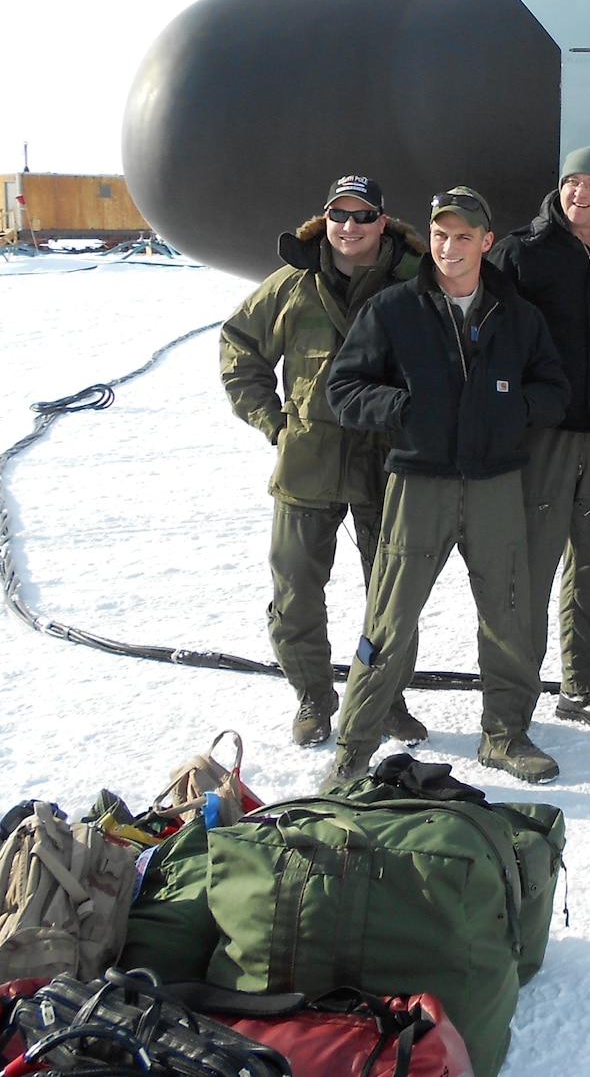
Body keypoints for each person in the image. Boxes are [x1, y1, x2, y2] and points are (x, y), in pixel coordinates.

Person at [323, 186, 571, 787]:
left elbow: (555, 391)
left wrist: (510, 410)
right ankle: (354, 749)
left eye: (464, 236)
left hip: (494, 485)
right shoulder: (393, 310)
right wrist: (402, 407)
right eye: (440, 235)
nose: (449, 247)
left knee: (510, 616)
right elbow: (343, 389)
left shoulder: (517, 316)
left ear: (487, 243)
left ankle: (506, 734)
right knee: (388, 620)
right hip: (419, 486)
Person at [219, 174, 428, 748]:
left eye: (363, 216)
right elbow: (238, 342)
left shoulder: (414, 283)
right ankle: (313, 695)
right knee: (294, 592)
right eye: (340, 214)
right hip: (306, 463)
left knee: (390, 595)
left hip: (386, 464)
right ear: (325, 219)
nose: (350, 227)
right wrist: (271, 420)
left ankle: (386, 698)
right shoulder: (291, 284)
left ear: (383, 222)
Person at [490, 146, 590, 730]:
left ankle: (583, 686)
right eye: (571, 182)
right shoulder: (520, 253)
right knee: (530, 564)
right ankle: (514, 693)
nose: (579, 193)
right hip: (542, 437)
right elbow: (491, 344)